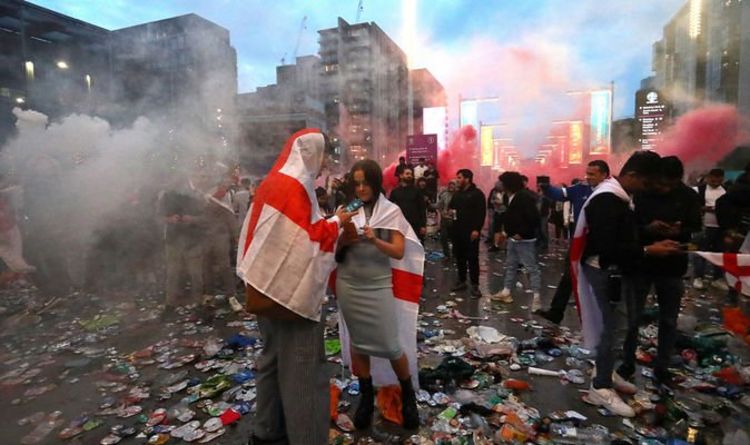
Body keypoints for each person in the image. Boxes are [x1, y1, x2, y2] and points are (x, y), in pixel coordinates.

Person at [237, 129, 354, 445]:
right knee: (304, 373)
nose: (324, 161)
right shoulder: (293, 186)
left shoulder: (273, 181)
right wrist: (338, 221)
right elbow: (307, 242)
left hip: (265, 291)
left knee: (271, 361)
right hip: (290, 298)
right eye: (323, 154)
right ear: (311, 154)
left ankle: (268, 430)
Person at [572, 151, 680, 417]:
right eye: (645, 184)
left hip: (614, 270)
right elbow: (608, 245)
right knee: (612, 328)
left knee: (621, 325)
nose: (646, 191)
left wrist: (646, 233)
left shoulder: (619, 197)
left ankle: (606, 371)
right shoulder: (608, 199)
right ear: (632, 176)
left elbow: (621, 233)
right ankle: (600, 387)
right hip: (606, 271)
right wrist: (647, 250)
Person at [335, 159, 423, 430]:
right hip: (349, 283)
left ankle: (408, 396)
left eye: (365, 183)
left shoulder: (390, 210)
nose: (360, 188)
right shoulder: (348, 209)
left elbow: (398, 251)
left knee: (391, 345)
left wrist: (374, 239)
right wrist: (342, 237)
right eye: (356, 183)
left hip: (378, 285)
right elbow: (332, 249)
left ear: (375, 182)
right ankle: (365, 397)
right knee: (359, 344)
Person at [618, 156, 701, 388]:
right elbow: (629, 228)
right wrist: (648, 228)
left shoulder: (689, 197)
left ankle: (662, 367)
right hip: (642, 263)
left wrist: (680, 230)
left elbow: (696, 229)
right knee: (632, 318)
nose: (664, 189)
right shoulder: (642, 193)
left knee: (669, 320)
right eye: (661, 183)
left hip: (672, 266)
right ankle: (626, 363)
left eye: (670, 185)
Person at [536, 160, 609, 324]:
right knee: (569, 276)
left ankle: (603, 318)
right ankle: (556, 312)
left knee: (599, 279)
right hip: (580, 241)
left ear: (604, 175)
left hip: (601, 243)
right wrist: (546, 187)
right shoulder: (580, 189)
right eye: (587, 173)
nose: (588, 177)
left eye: (592, 174)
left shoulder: (610, 191)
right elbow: (560, 194)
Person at [158, 172, 209, 314]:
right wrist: (170, 219)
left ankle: (198, 303)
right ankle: (170, 304)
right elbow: (158, 217)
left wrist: (191, 219)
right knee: (173, 275)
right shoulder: (167, 197)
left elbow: (206, 219)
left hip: (193, 241)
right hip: (174, 241)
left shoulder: (197, 197)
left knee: (196, 275)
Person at [490, 172, 542, 310]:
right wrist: (506, 232)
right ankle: (506, 291)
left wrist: (522, 233)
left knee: (531, 268)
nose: (498, 184)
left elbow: (534, 218)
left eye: (501, 181)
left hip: (525, 239)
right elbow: (511, 217)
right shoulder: (509, 197)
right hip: (513, 237)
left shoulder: (524, 197)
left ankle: (536, 298)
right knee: (511, 265)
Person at [449, 169, 486, 298]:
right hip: (458, 231)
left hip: (471, 233)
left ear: (467, 179)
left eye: (459, 177)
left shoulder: (477, 194)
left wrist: (477, 229)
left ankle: (475, 286)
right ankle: (462, 281)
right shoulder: (457, 194)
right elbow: (452, 209)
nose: (457, 180)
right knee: (460, 257)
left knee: (472, 259)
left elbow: (481, 213)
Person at [691, 168, 726, 290]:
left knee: (719, 253)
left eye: (719, 178)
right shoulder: (698, 190)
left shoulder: (726, 191)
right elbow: (691, 206)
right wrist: (704, 208)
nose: (716, 180)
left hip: (721, 228)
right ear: (707, 177)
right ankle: (698, 277)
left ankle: (718, 278)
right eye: (713, 177)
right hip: (703, 227)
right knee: (700, 252)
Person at [389, 167, 427, 242]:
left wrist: (423, 225)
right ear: (401, 176)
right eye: (407, 174)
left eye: (411, 174)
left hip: (415, 225)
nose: (410, 176)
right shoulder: (395, 191)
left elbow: (422, 208)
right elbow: (390, 208)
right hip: (400, 225)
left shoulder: (417, 191)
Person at [436, 181, 456, 258]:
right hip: (445, 219)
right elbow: (439, 205)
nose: (451, 187)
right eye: (450, 185)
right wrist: (442, 213)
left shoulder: (458, 195)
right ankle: (446, 254)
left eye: (453, 185)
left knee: (455, 238)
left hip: (455, 220)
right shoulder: (445, 195)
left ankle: (455, 253)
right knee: (443, 237)